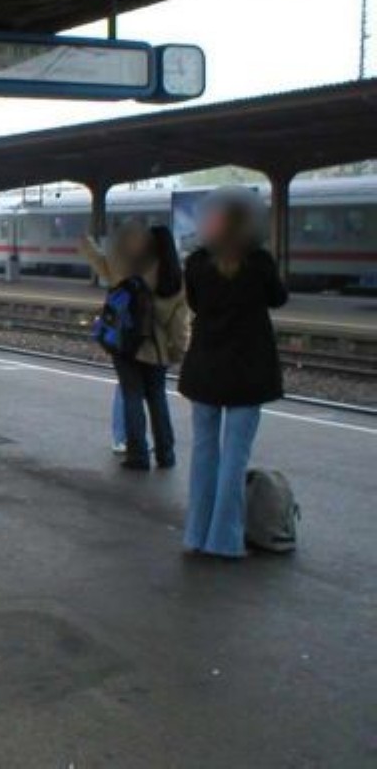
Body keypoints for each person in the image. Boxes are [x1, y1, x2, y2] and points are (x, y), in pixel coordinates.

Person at [180, 195, 287, 558]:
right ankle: (224, 540)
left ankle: (195, 535)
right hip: (248, 371)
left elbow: (195, 304)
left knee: (203, 453)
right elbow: (278, 298)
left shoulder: (197, 262)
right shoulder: (259, 261)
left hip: (205, 369)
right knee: (234, 457)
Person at [82, 222, 189, 470]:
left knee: (132, 398)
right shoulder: (176, 279)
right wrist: (176, 352)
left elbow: (100, 262)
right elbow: (180, 325)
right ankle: (166, 455)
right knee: (158, 400)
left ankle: (138, 455)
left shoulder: (128, 268)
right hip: (158, 352)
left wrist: (86, 242)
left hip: (126, 346)